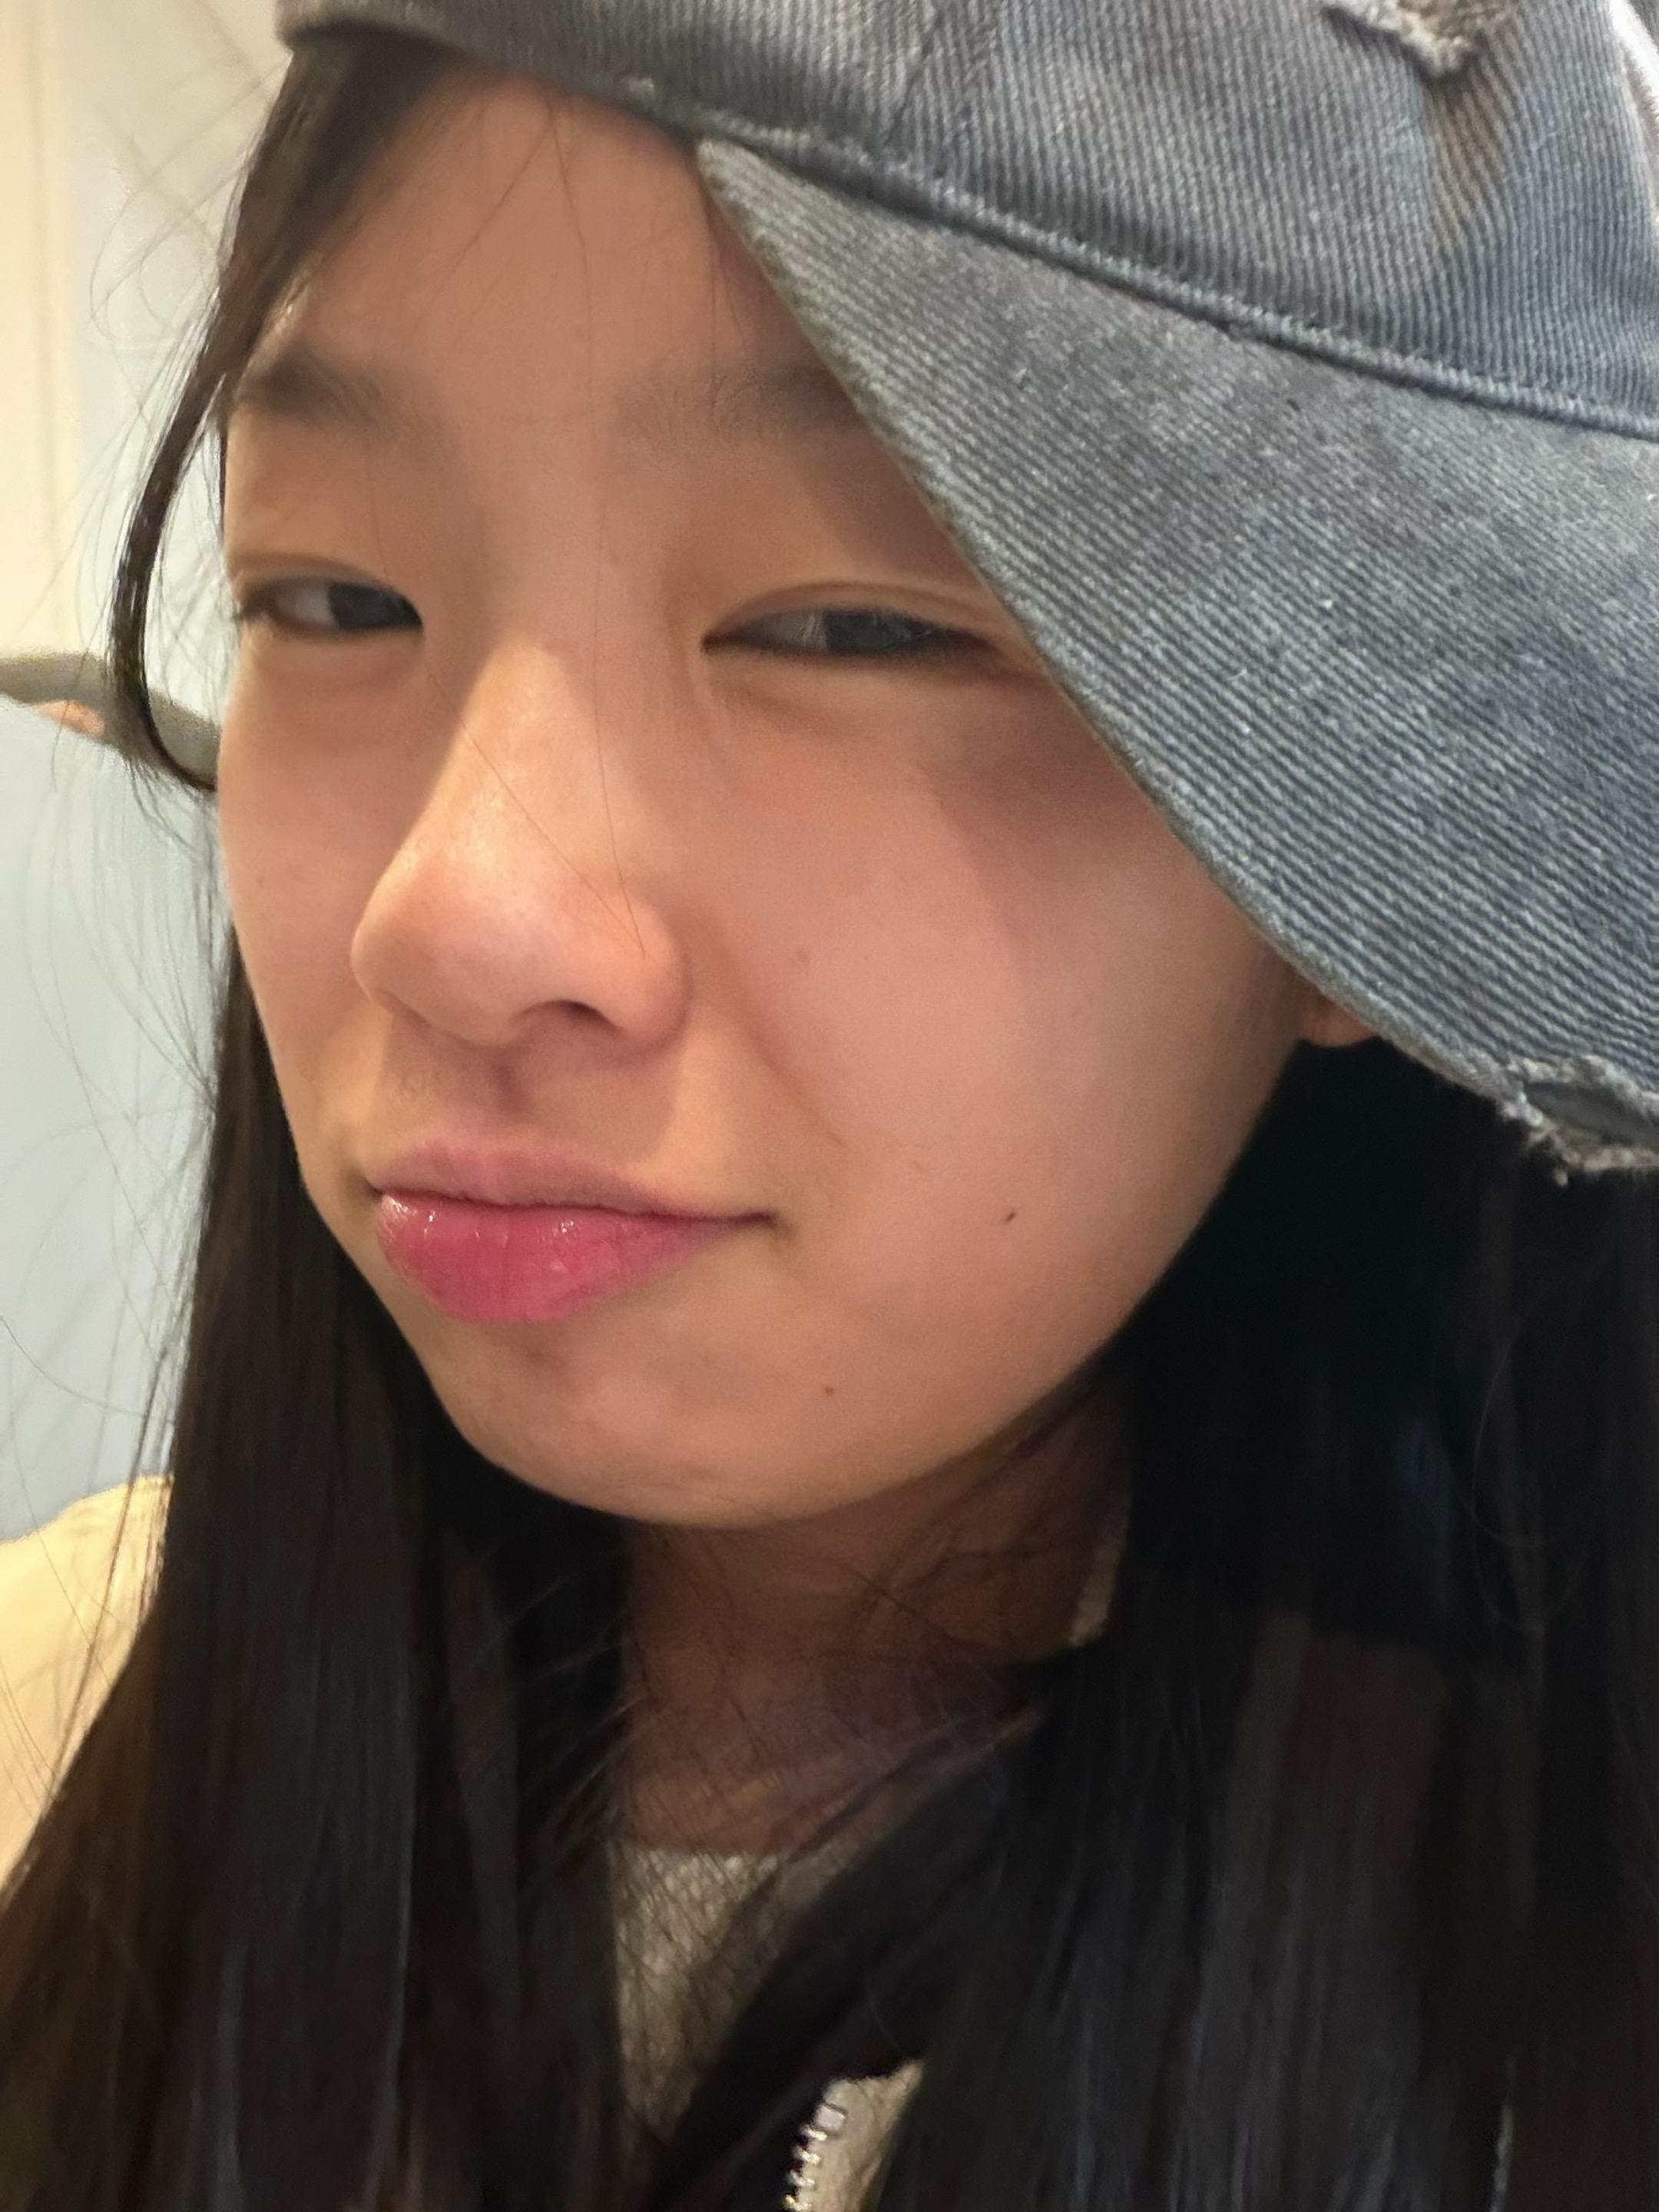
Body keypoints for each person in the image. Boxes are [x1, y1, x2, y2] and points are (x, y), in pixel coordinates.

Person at [0, 2, 1655, 2206]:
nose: (453, 914)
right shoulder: (53, 1717)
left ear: (1364, 845)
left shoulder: (1557, 2007)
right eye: (334, 594)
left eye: (850, 629)